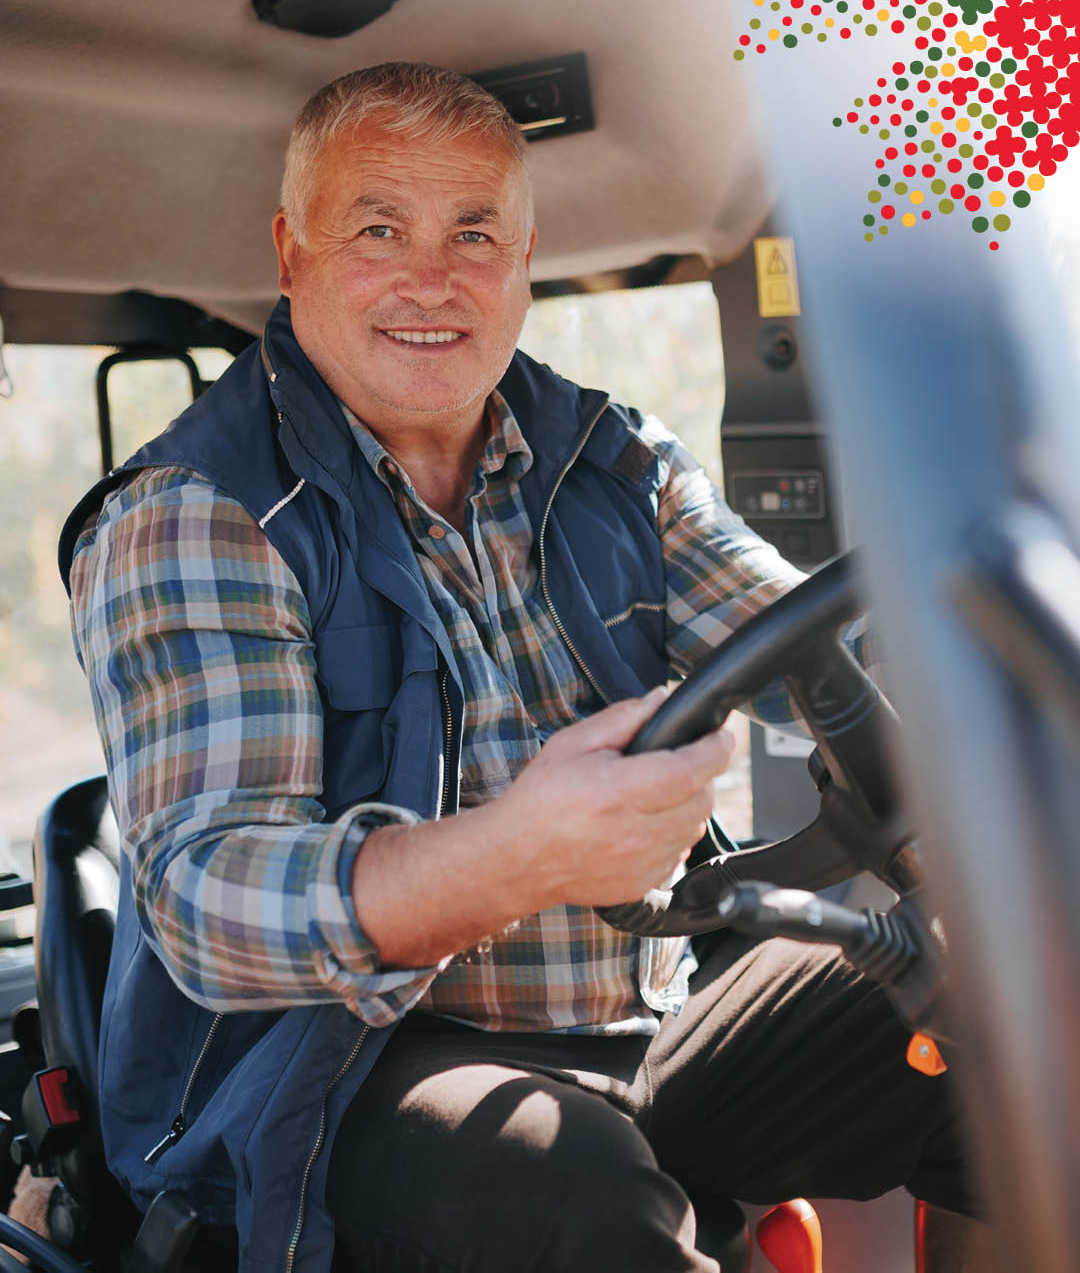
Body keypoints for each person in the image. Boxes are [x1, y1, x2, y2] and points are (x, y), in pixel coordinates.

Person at [61, 63, 986, 1272]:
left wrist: (1001, 707)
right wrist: (520, 855)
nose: (433, 278)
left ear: (526, 260)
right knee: (579, 1194)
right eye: (378, 228)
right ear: (292, 255)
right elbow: (208, 902)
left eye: (475, 232)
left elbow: (821, 643)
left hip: (645, 1026)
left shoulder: (612, 465)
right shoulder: (199, 511)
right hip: (325, 1078)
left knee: (1010, 1017)